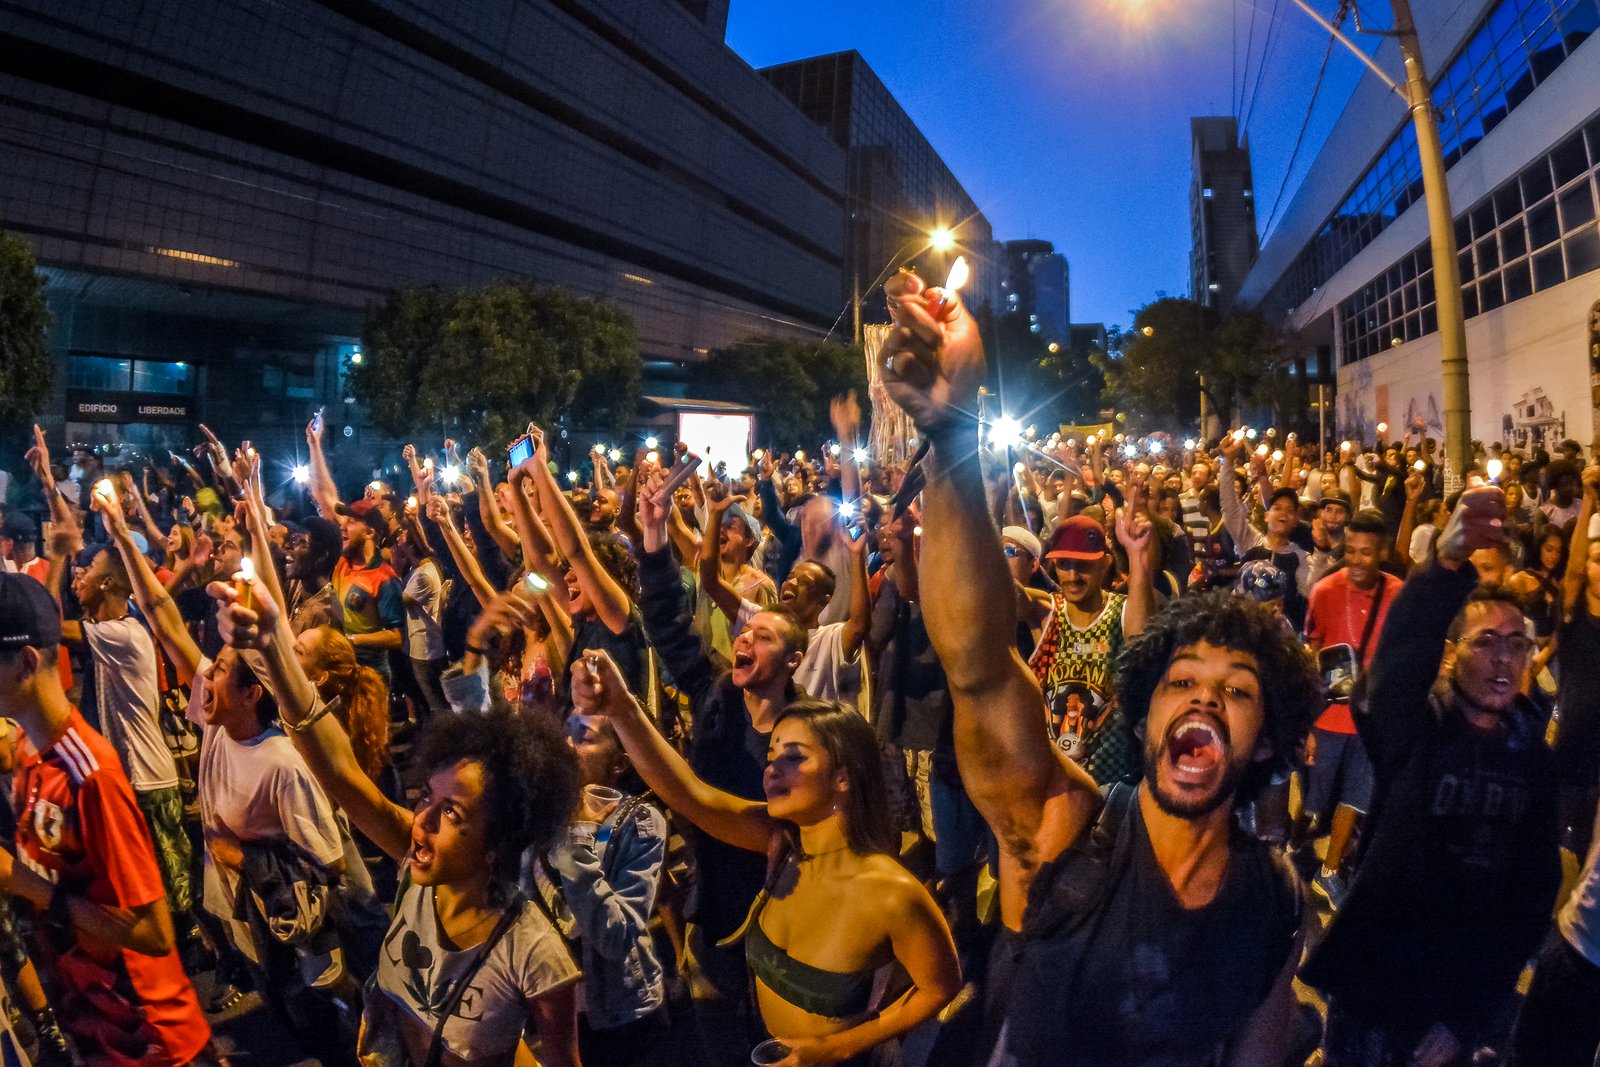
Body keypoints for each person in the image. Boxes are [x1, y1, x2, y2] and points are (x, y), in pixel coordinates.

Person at [877, 267, 1312, 1065]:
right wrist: (951, 436)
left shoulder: (1276, 900)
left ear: (1271, 738)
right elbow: (977, 667)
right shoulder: (1066, 834)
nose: (1205, 700)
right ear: (1144, 711)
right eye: (1182, 681)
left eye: (1237, 691)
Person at [210, 575, 584, 1067]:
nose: (422, 821)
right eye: (427, 797)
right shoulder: (413, 871)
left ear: (498, 841)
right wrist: (273, 646)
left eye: (450, 812)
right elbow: (341, 773)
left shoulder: (536, 957)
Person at [573, 652, 961, 1066]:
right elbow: (689, 794)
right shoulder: (783, 846)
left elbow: (941, 986)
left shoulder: (892, 893)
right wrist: (621, 708)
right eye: (772, 756)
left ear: (844, 776)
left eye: (793, 756)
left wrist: (837, 1047)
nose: (772, 769)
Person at [1300, 485, 1561, 1066]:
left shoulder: (1532, 757)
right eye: (1486, 642)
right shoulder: (1414, 730)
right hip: (1377, 982)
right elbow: (1390, 679)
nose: (1503, 658)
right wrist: (1440, 568)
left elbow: (1530, 895)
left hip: (1457, 994)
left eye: (1517, 645)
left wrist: (1468, 1016)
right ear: (1451, 654)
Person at [0, 573, 214, 1066]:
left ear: (26, 663)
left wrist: (23, 883)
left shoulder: (90, 775)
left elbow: (154, 932)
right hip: (97, 1034)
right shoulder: (30, 754)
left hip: (153, 1039)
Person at [634, 466, 809, 1065]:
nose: (744, 638)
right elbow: (666, 626)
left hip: (784, 917)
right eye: (743, 630)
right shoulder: (715, 698)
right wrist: (655, 540)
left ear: (794, 660)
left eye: (762, 635)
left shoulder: (812, 733)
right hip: (713, 906)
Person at [536, 712, 670, 1065]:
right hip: (558, 1005)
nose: (566, 745)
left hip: (620, 1013)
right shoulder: (544, 807)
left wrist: (576, 840)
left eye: (584, 737)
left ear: (619, 764)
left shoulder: (638, 822)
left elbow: (616, 938)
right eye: (565, 731)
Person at [1299, 509, 1402, 906]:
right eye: (1352, 552)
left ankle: (1330, 869)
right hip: (1327, 719)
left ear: (1382, 552)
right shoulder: (1325, 591)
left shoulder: (1398, 593)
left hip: (1372, 721)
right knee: (1314, 804)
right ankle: (1297, 853)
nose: (1358, 561)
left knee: (1357, 797)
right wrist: (1306, 723)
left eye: (1367, 553)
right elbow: (1310, 652)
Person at [1020, 510, 1154, 782]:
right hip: (1054, 781)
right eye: (1064, 564)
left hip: (1112, 782)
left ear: (1105, 564)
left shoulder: (1123, 611)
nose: (1072, 575)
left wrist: (1137, 556)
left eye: (1084, 565)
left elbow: (1141, 641)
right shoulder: (1046, 611)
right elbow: (994, 590)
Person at [330, 500, 405, 680]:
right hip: (344, 665)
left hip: (371, 673)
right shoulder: (341, 562)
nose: (343, 526)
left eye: (352, 522)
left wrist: (351, 640)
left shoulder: (385, 578)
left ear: (370, 533)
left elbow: (397, 637)